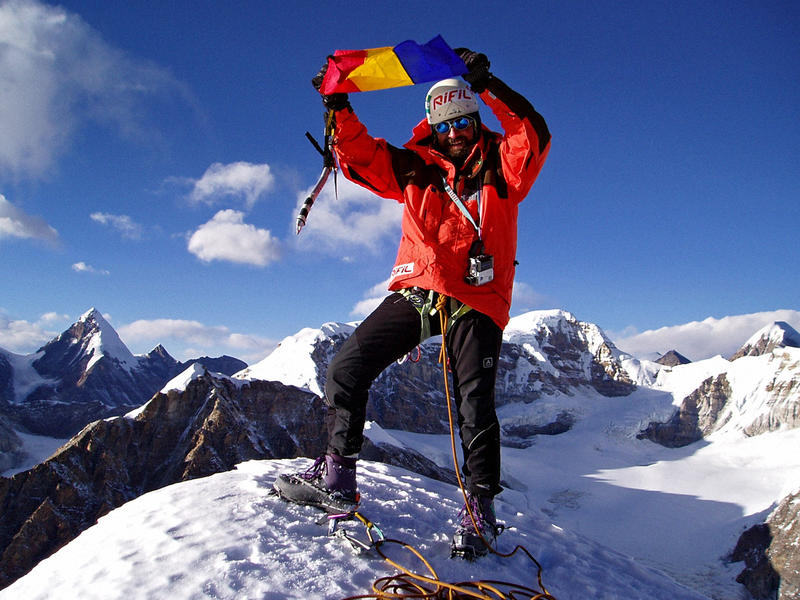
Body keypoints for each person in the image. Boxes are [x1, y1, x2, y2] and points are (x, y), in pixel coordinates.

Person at [275, 47, 551, 558]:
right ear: (432, 125)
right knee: (347, 367)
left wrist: (489, 86)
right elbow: (359, 155)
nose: (454, 133)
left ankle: (479, 511)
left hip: (477, 296)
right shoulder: (413, 165)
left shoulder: (504, 167)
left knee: (473, 402)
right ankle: (336, 476)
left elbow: (532, 133)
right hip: (420, 287)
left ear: (474, 119)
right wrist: (338, 105)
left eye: (463, 122)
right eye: (444, 125)